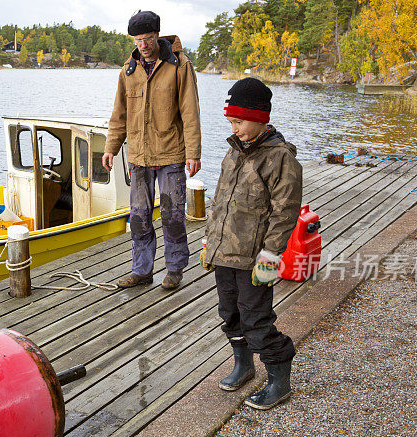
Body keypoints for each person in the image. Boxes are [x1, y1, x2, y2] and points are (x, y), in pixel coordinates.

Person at [200, 77, 302, 410]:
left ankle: (278, 380)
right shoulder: (233, 152)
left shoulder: (281, 159)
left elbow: (285, 212)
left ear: (260, 118)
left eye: (239, 121)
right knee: (229, 314)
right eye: (231, 121)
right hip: (224, 253)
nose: (235, 128)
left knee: (256, 320)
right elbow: (219, 202)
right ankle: (243, 366)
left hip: (256, 258)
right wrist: (208, 242)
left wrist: (271, 256)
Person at [102, 10, 201, 290]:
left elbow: (190, 112)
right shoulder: (127, 71)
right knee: (139, 217)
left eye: (147, 39)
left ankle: (175, 269)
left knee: (172, 216)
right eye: (137, 40)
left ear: (157, 35)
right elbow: (118, 114)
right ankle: (142, 270)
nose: (143, 45)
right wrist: (111, 147)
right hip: (138, 157)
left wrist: (193, 153)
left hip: (171, 154)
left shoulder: (179, 65)